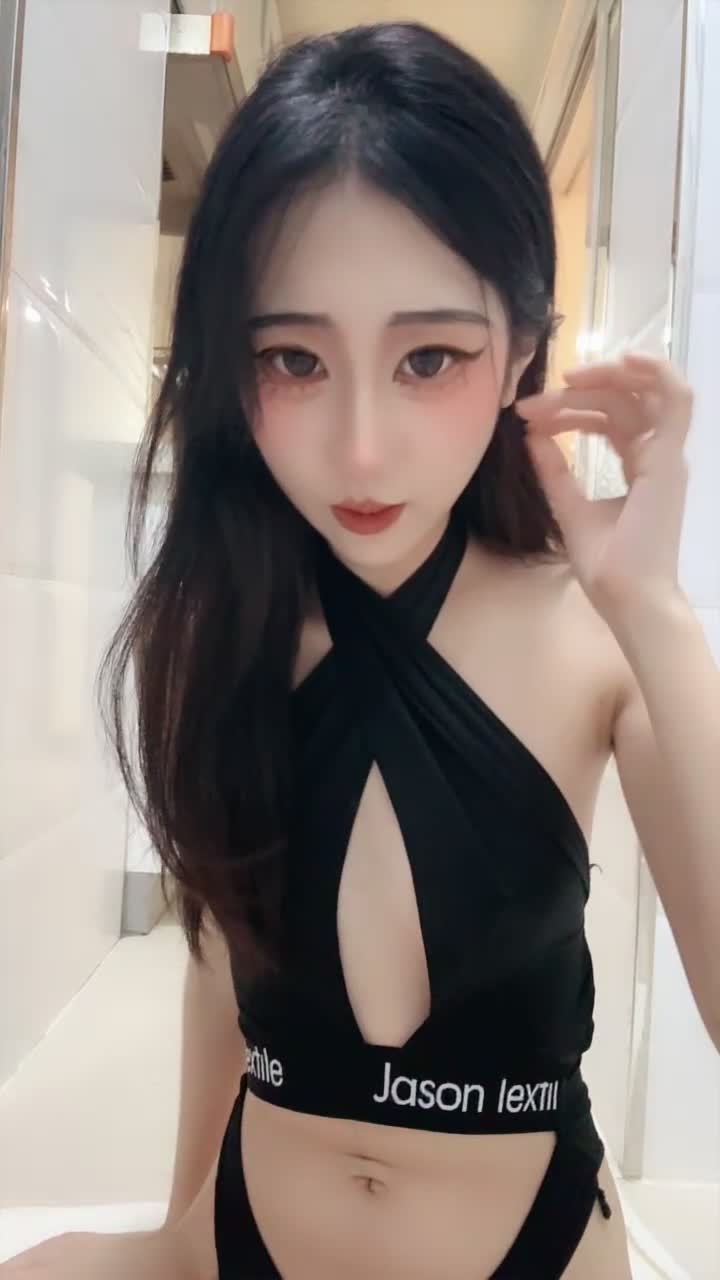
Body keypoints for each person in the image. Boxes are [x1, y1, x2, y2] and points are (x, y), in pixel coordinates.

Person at [4, 20, 719, 1280]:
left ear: (523, 346)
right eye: (294, 358)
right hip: (248, 1233)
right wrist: (181, 1233)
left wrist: (655, 607)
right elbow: (222, 962)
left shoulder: (595, 632)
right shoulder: (220, 621)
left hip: (539, 1248)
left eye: (428, 356)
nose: (361, 447)